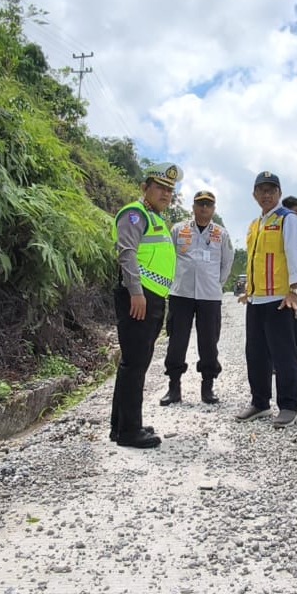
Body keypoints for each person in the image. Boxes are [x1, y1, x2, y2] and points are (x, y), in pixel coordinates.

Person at [110, 162, 183, 449]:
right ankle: (130, 431)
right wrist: (136, 292)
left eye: (169, 190)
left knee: (134, 362)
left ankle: (121, 426)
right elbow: (127, 253)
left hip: (151, 297)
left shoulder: (155, 218)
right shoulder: (135, 214)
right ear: (145, 188)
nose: (165, 194)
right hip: (139, 297)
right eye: (160, 187)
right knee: (135, 364)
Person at [235, 171, 297, 429]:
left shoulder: (288, 219)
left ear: (279, 193)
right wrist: (249, 290)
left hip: (280, 299)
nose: (266, 195)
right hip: (257, 300)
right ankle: (260, 402)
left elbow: (296, 255)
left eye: (271, 190)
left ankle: (288, 406)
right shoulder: (255, 224)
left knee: (284, 355)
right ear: (254, 194)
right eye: (261, 190)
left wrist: (295, 290)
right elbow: (254, 259)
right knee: (256, 355)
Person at [160, 190, 234, 406]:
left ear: (213, 209)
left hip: (209, 296)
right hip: (180, 293)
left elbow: (227, 263)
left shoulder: (221, 234)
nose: (204, 208)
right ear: (193, 207)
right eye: (200, 204)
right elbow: (168, 257)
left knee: (209, 342)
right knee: (176, 341)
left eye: (208, 205)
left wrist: (216, 283)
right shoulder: (178, 229)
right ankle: (174, 387)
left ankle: (207, 386)